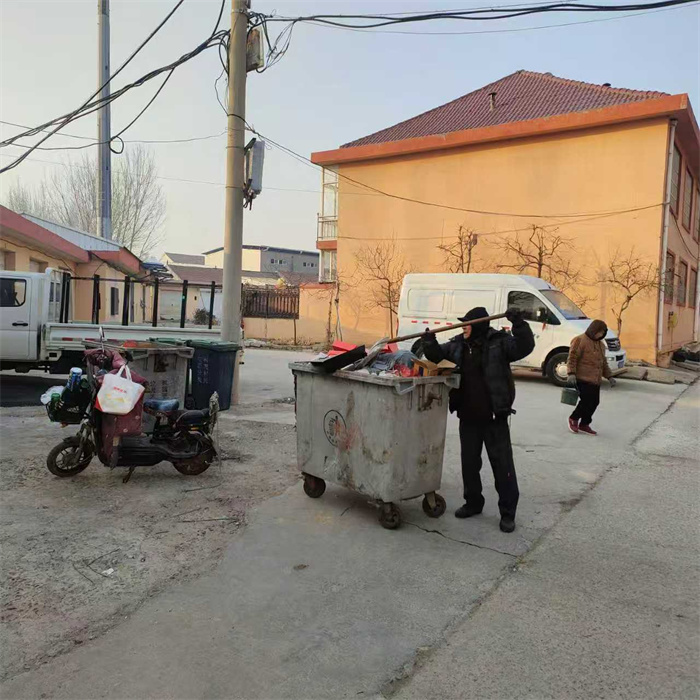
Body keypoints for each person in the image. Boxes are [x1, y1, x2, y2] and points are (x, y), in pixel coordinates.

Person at [422, 307, 535, 533]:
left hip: (494, 417)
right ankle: (473, 503)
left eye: (467, 323)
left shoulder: (499, 342)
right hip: (468, 417)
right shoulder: (458, 345)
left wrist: (519, 324)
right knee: (470, 465)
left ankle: (507, 513)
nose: (464, 327)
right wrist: (429, 342)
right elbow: (438, 356)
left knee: (503, 467)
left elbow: (524, 346)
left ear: (479, 325)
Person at [566, 319, 616, 436]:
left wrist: (609, 376)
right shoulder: (580, 340)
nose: (601, 335)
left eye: (603, 333)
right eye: (600, 332)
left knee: (594, 402)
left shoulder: (601, 345)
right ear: (594, 330)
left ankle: (584, 424)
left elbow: (603, 363)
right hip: (582, 377)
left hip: (595, 379)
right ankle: (573, 418)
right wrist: (571, 373)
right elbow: (572, 357)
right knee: (586, 401)